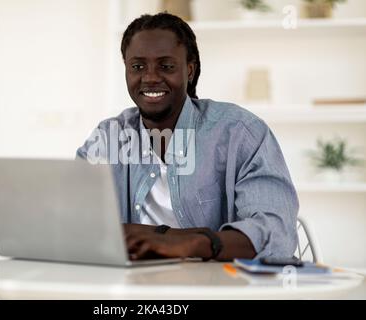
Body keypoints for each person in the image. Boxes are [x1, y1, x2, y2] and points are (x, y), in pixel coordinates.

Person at [77, 13, 298, 261]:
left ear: (189, 71)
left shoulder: (241, 132)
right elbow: (73, 221)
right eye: (137, 67)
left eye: (166, 66)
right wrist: (163, 235)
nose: (150, 77)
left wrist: (192, 244)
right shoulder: (108, 138)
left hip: (218, 285)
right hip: (132, 283)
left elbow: (276, 234)